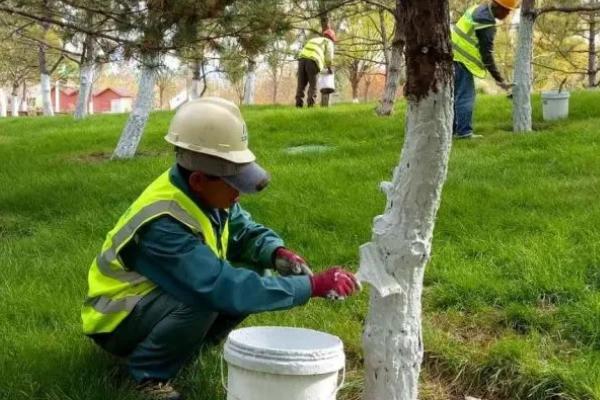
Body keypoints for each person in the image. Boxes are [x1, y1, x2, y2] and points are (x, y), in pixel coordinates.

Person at [81, 97, 360, 400]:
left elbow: (242, 230)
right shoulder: (162, 223)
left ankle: (184, 347)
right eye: (234, 183)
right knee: (206, 297)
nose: (239, 194)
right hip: (116, 320)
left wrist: (275, 252)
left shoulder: (205, 193)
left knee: (255, 269)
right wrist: (311, 285)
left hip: (150, 302)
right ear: (199, 180)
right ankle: (147, 374)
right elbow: (217, 287)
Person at [452, 0, 519, 139]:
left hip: (452, 55)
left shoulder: (477, 9)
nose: (508, 14)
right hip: (462, 60)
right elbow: (487, 55)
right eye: (507, 11)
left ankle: (452, 130)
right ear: (497, 6)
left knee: (455, 96)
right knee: (465, 97)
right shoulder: (485, 21)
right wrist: (499, 80)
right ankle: (464, 133)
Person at [295, 28, 336, 108]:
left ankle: (298, 106)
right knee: (313, 85)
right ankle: (311, 106)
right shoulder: (328, 42)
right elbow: (329, 57)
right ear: (331, 38)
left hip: (301, 60)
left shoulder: (314, 40)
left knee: (301, 85)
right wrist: (329, 68)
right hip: (313, 62)